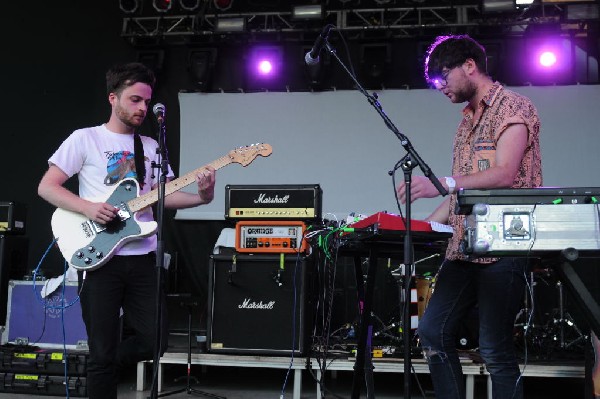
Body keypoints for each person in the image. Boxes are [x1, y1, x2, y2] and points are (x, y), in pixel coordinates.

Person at [37, 62, 216, 399]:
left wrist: (202, 197)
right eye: (135, 100)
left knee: (156, 340)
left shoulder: (150, 146)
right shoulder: (86, 138)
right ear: (112, 98)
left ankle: (104, 359)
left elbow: (164, 196)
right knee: (101, 354)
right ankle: (102, 361)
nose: (142, 108)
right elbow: (47, 187)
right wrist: (89, 208)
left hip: (143, 258)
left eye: (146, 102)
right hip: (100, 259)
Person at [397, 35, 542, 399]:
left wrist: (441, 183)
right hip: (462, 250)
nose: (440, 88)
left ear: (470, 65)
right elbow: (460, 192)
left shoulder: (514, 107)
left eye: (442, 77)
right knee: (431, 332)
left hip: (504, 247)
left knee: (494, 348)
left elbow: (505, 173)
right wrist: (420, 229)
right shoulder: (465, 122)